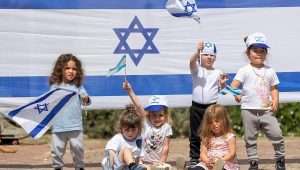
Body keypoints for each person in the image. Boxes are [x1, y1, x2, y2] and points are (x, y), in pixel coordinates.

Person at [231, 32, 285, 170]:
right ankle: (253, 162)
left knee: (277, 134)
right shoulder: (244, 70)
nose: (259, 54)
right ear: (248, 52)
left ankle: (280, 160)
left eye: (262, 51)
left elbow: (274, 88)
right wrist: (236, 95)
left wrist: (275, 101)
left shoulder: (270, 71)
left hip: (266, 110)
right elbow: (234, 86)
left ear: (266, 53)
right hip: (248, 110)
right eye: (255, 51)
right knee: (250, 138)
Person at [49, 53, 91, 170]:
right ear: (60, 69)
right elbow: (48, 103)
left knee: (78, 148)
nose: (70, 71)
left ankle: (80, 167)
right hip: (58, 126)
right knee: (56, 150)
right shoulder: (55, 86)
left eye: (74, 69)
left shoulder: (78, 86)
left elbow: (86, 101)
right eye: (67, 68)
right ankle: (57, 167)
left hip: (75, 126)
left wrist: (85, 98)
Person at [188, 41, 227, 166]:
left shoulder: (218, 72)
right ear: (200, 56)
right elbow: (191, 62)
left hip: (211, 108)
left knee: (211, 132)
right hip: (196, 107)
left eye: (212, 55)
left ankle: (210, 156)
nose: (209, 57)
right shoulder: (196, 69)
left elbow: (222, 90)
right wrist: (197, 51)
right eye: (206, 55)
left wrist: (222, 84)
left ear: (215, 57)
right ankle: (194, 157)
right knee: (195, 133)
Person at [123, 81, 173, 167]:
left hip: (157, 163)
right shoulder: (146, 122)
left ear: (166, 115)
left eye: (160, 115)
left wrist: (161, 162)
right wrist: (130, 91)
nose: (157, 118)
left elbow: (166, 147)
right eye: (154, 115)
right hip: (142, 161)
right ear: (149, 114)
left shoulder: (167, 127)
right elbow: (138, 106)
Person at [190, 104, 239, 170]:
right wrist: (207, 161)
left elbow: (232, 153)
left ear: (224, 121)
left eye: (217, 121)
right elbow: (203, 153)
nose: (214, 124)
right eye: (210, 122)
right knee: (198, 168)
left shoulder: (230, 137)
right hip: (209, 163)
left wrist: (220, 161)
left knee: (222, 168)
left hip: (225, 163)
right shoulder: (207, 137)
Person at [101, 104, 146, 170]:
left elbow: (140, 158)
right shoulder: (118, 138)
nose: (130, 133)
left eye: (133, 130)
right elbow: (110, 152)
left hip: (130, 167)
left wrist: (143, 164)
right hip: (117, 166)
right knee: (126, 150)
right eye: (127, 130)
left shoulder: (140, 140)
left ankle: (134, 167)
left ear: (139, 129)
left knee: (147, 167)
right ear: (121, 128)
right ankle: (133, 167)